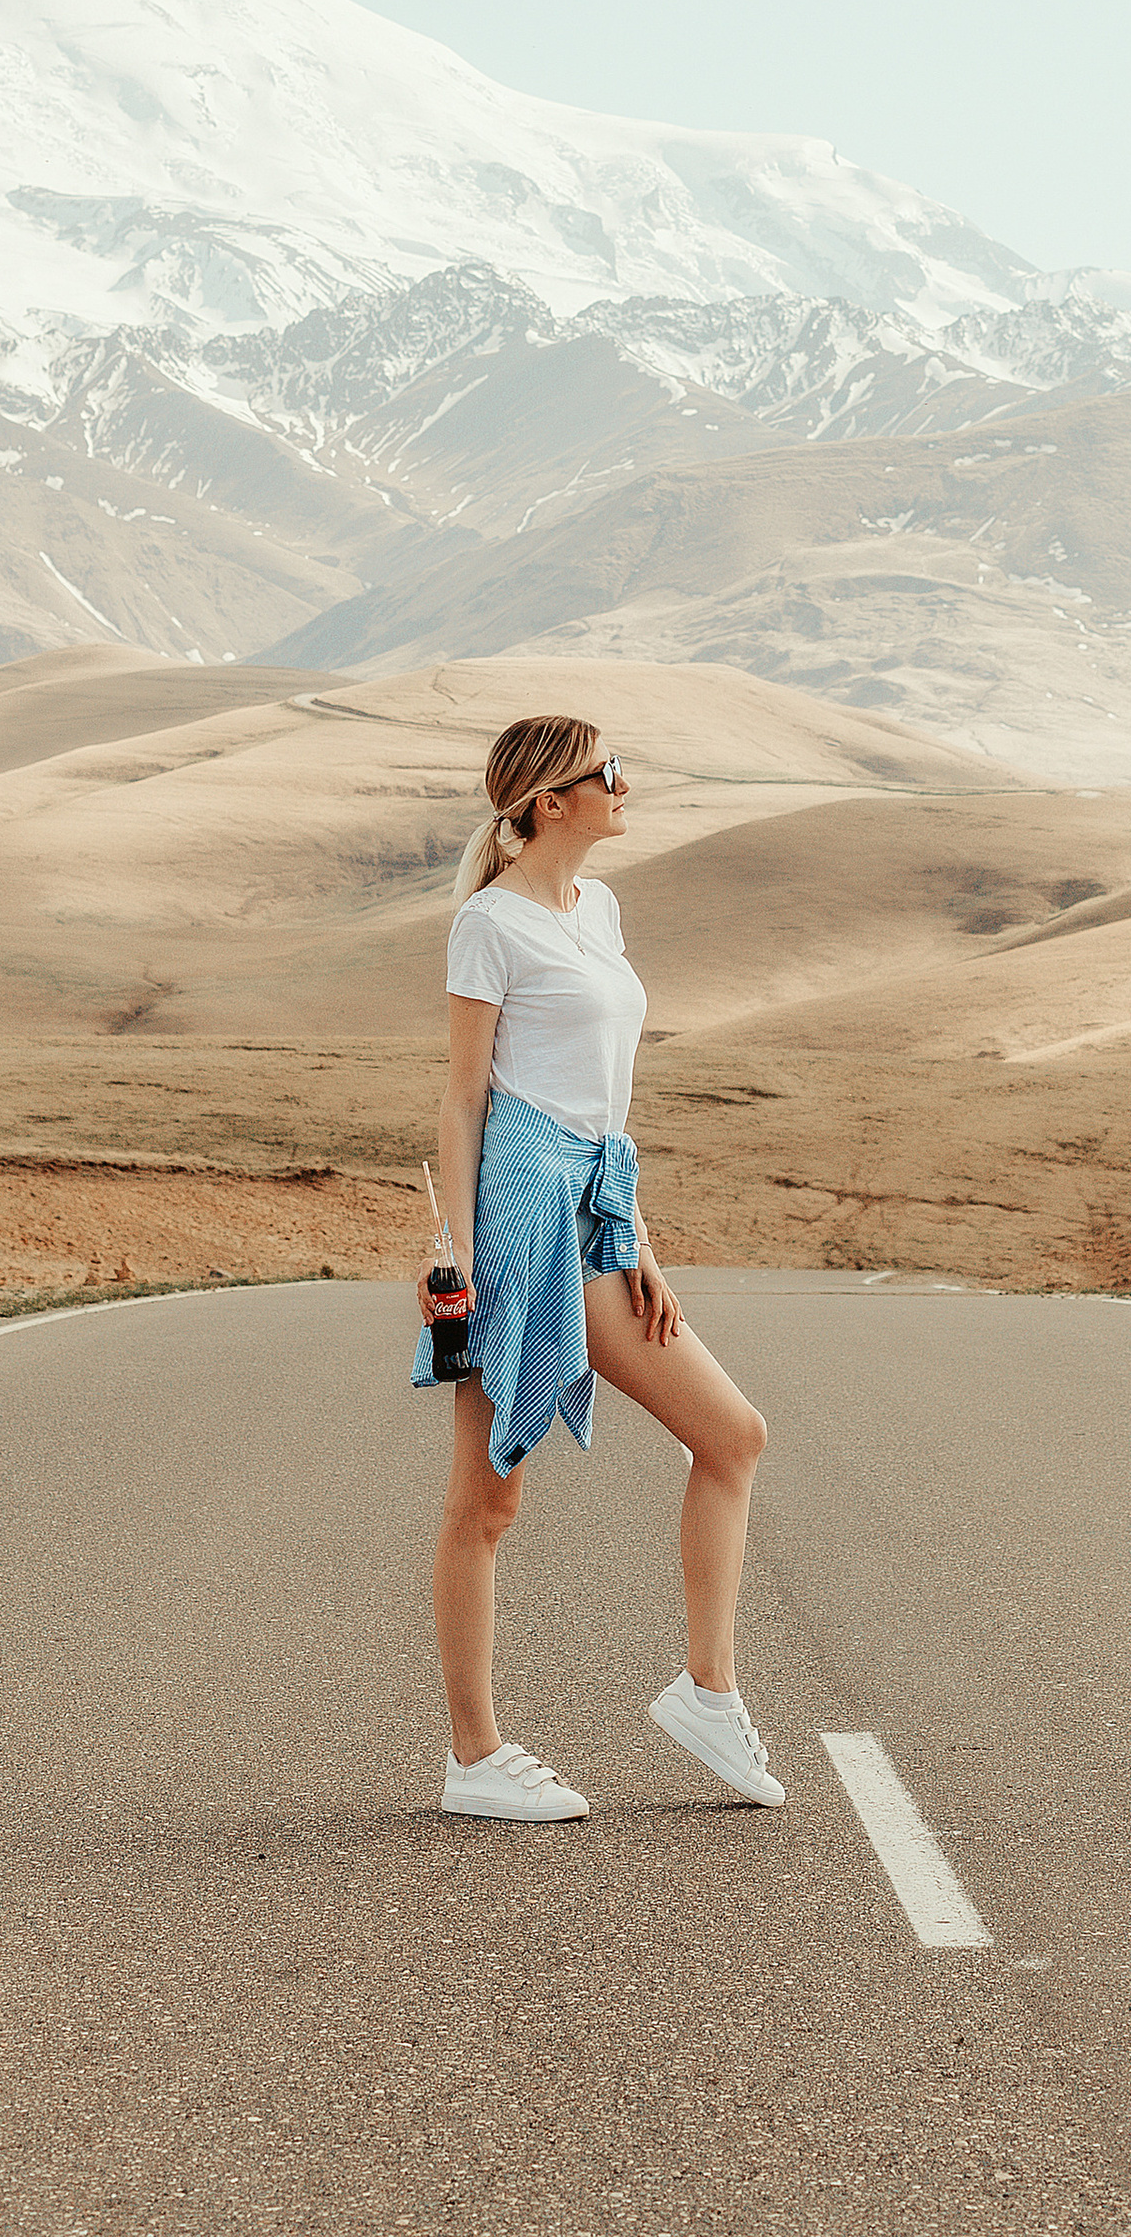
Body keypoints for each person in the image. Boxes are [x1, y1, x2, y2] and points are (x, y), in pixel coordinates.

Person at [414, 711, 780, 1822]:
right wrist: (453, 1253)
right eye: (606, 772)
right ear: (548, 802)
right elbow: (464, 1097)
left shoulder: (598, 908)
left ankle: (707, 1692)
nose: (625, 786)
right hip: (521, 1211)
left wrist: (639, 1240)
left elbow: (603, 1103)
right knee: (489, 1498)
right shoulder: (489, 924)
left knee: (730, 1435)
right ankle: (474, 1756)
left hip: (596, 1203)